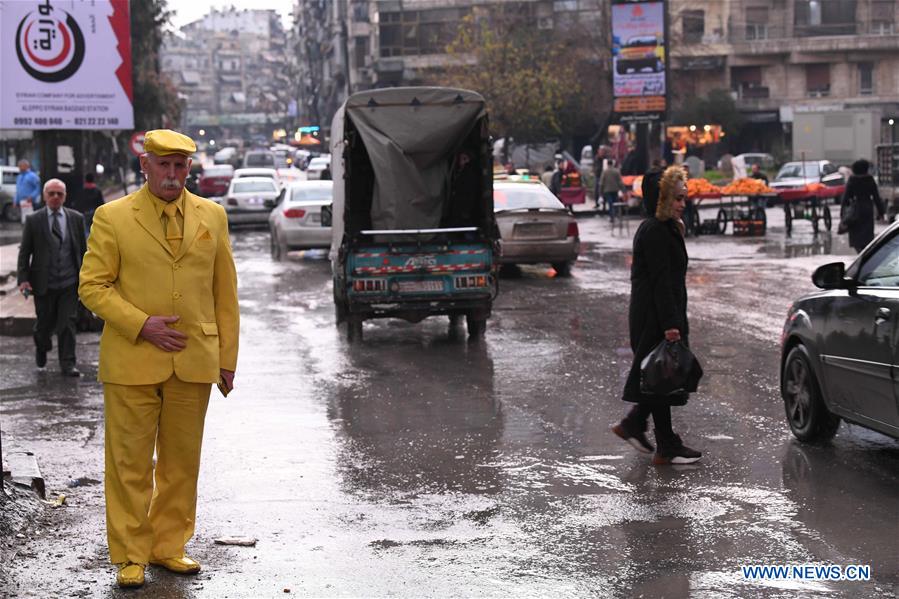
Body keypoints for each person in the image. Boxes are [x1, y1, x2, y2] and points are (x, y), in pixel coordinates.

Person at [78, 130, 240, 589]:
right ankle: (131, 554)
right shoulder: (112, 217)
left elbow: (225, 293)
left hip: (194, 357)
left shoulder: (212, 215)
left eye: (179, 166)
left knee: (182, 463)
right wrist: (141, 323)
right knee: (129, 463)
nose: (172, 174)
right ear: (144, 166)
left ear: (189, 169)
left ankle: (168, 546)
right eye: (163, 165)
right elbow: (92, 286)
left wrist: (227, 358)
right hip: (131, 358)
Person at [612, 166, 702, 465]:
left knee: (660, 378)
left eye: (683, 197)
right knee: (660, 375)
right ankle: (647, 432)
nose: (683, 203)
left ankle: (657, 438)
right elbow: (661, 282)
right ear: (661, 199)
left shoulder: (664, 228)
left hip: (659, 313)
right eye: (677, 198)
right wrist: (671, 324)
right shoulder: (655, 231)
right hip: (654, 317)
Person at [17, 179, 87, 376]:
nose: (55, 197)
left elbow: (83, 251)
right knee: (44, 325)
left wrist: (87, 278)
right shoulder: (34, 220)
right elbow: (25, 252)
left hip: (69, 282)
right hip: (43, 283)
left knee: (67, 324)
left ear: (65, 196)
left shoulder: (76, 218)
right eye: (51, 193)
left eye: (59, 194)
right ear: (44, 196)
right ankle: (42, 346)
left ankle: (68, 363)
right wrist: (23, 279)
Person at [840, 158, 885, 253]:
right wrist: (881, 212)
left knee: (856, 236)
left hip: (855, 210)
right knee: (867, 236)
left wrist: (843, 214)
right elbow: (876, 197)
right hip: (867, 208)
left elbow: (846, 198)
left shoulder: (852, 180)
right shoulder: (870, 179)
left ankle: (861, 254)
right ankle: (865, 253)